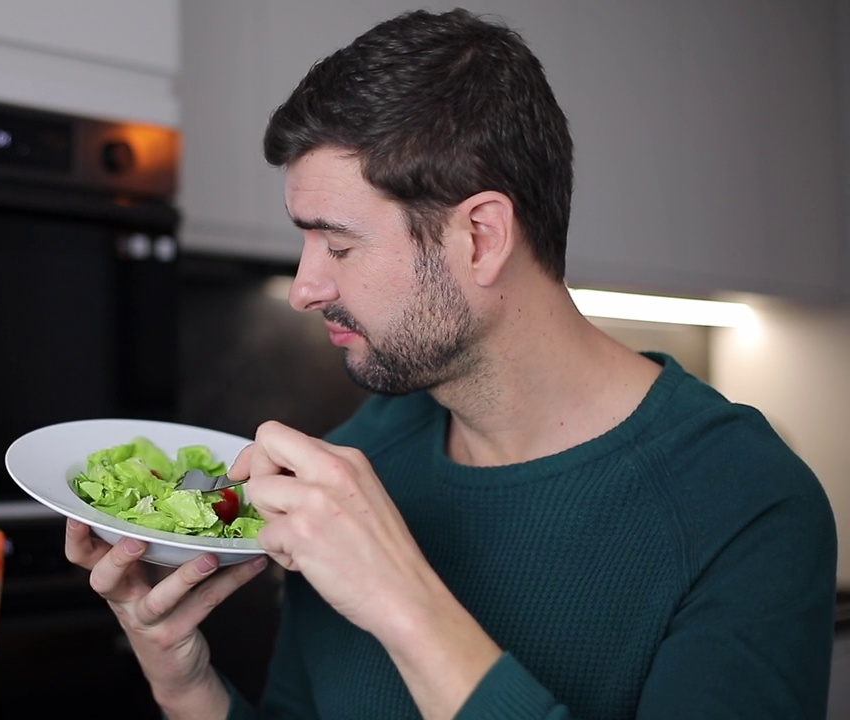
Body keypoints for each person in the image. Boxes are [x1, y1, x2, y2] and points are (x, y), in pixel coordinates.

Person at [65, 7, 837, 719]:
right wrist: (182, 677)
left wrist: (402, 601)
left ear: (480, 238)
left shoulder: (747, 504)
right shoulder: (368, 452)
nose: (305, 287)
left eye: (338, 245)